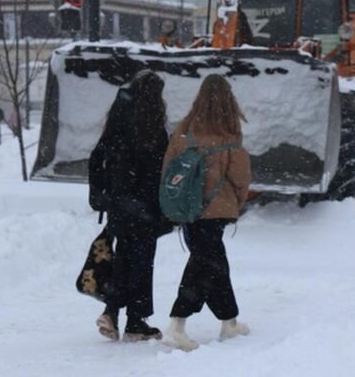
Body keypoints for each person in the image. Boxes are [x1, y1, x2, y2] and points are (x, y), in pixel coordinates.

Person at [163, 74, 252, 351]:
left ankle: (229, 322)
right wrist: (234, 201)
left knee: (213, 262)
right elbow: (240, 178)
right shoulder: (229, 134)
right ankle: (177, 323)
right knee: (204, 265)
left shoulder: (183, 131)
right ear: (228, 101)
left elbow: (169, 171)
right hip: (216, 211)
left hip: (189, 210)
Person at [90, 71, 173, 342]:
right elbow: (162, 166)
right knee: (140, 262)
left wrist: (100, 193)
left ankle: (112, 312)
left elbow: (98, 156)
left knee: (124, 257)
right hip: (146, 207)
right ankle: (136, 321)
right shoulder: (153, 128)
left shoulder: (117, 121)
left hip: (119, 203)